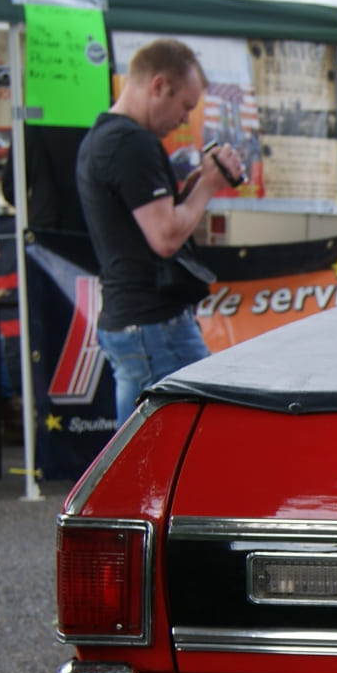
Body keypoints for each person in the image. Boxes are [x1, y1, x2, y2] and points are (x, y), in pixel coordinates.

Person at [76, 38, 243, 421]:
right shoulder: (131, 143)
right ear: (157, 86)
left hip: (137, 321)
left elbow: (142, 226)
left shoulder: (103, 138)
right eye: (185, 105)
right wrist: (208, 185)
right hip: (154, 326)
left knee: (143, 453)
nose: (185, 119)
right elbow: (165, 237)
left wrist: (195, 185)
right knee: (198, 433)